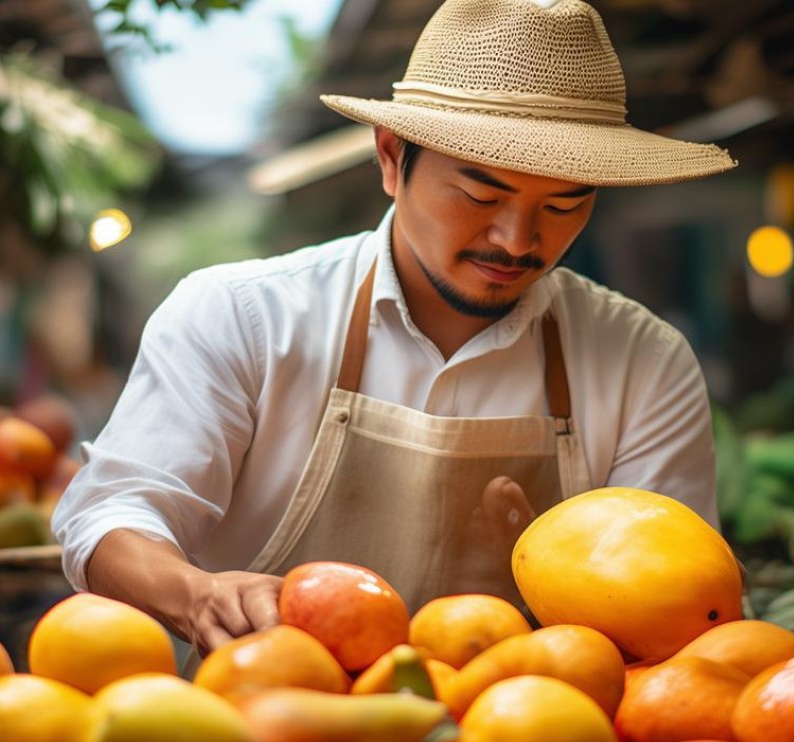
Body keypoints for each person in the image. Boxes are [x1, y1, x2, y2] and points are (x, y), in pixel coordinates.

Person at [53, 0, 737, 657]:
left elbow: (677, 607)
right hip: (267, 714)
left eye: (562, 205)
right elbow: (111, 516)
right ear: (390, 156)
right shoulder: (242, 316)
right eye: (480, 194)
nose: (516, 239)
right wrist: (197, 595)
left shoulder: (644, 360)